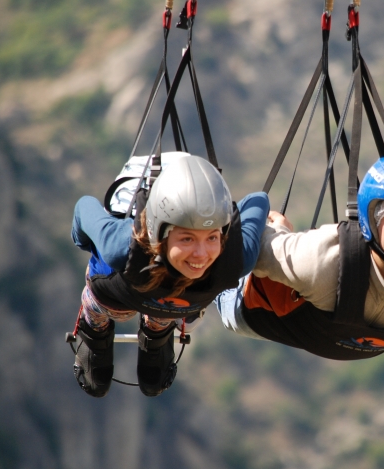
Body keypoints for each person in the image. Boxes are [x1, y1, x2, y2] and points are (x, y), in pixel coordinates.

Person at [215, 154, 384, 360]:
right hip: (253, 313)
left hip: (324, 330)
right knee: (216, 249)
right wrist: (278, 229)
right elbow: (247, 247)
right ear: (370, 224)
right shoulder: (322, 261)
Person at [71, 154, 269, 397]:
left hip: (187, 192)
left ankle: (157, 327)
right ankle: (95, 326)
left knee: (175, 298)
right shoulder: (119, 246)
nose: (201, 254)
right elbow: (83, 207)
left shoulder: (238, 257)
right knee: (114, 303)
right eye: (187, 238)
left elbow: (260, 199)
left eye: (212, 237)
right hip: (122, 270)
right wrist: (92, 244)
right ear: (160, 235)